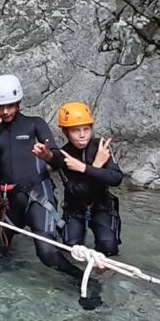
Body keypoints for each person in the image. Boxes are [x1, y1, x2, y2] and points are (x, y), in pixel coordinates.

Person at [0, 74, 82, 278]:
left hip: (37, 196)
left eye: (9, 105)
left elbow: (59, 160)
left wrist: (48, 155)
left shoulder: (36, 125)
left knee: (47, 254)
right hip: (10, 201)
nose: (5, 111)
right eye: (0, 106)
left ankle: (81, 280)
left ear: (18, 102)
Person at [48, 102, 124, 256]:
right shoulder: (64, 155)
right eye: (76, 131)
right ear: (65, 132)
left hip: (101, 206)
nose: (82, 135)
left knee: (109, 248)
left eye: (86, 129)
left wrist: (84, 168)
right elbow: (77, 192)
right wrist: (96, 165)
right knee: (71, 248)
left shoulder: (100, 147)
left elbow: (116, 178)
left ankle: (101, 275)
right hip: (75, 208)